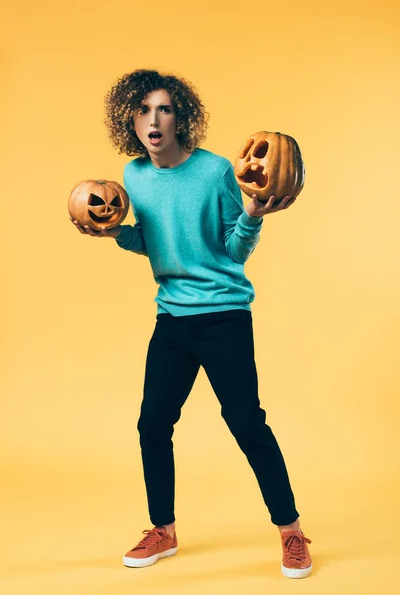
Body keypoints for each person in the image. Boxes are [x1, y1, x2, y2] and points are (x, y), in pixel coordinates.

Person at [70, 69, 312, 579]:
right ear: (129, 121)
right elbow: (153, 242)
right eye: (143, 111)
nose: (153, 120)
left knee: (246, 422)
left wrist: (252, 214)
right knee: (152, 422)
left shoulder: (214, 170)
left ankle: (291, 532)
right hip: (172, 318)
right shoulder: (132, 177)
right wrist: (115, 232)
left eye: (164, 109)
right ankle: (163, 529)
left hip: (223, 314)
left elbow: (233, 251)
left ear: (181, 117)